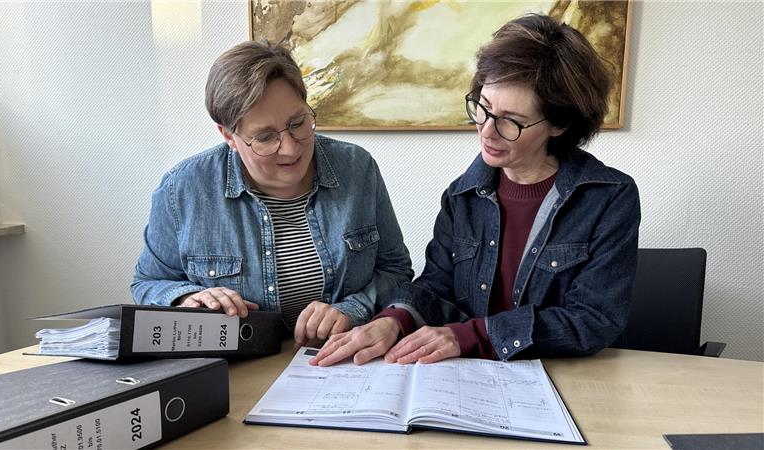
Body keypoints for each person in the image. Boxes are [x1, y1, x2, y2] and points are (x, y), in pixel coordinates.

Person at [311, 14, 641, 366]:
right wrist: (394, 320)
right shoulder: (463, 195)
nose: (487, 131)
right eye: (483, 108)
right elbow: (436, 285)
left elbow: (593, 320)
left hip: (564, 379)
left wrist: (468, 335)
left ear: (559, 124)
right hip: (470, 378)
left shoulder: (608, 198)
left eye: (510, 121)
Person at [131, 41, 413, 346]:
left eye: (298, 123)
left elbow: (395, 269)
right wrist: (189, 297)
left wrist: (351, 309)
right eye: (265, 137)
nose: (290, 148)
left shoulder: (357, 169)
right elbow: (148, 283)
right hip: (237, 368)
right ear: (229, 135)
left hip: (338, 363)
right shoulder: (183, 188)